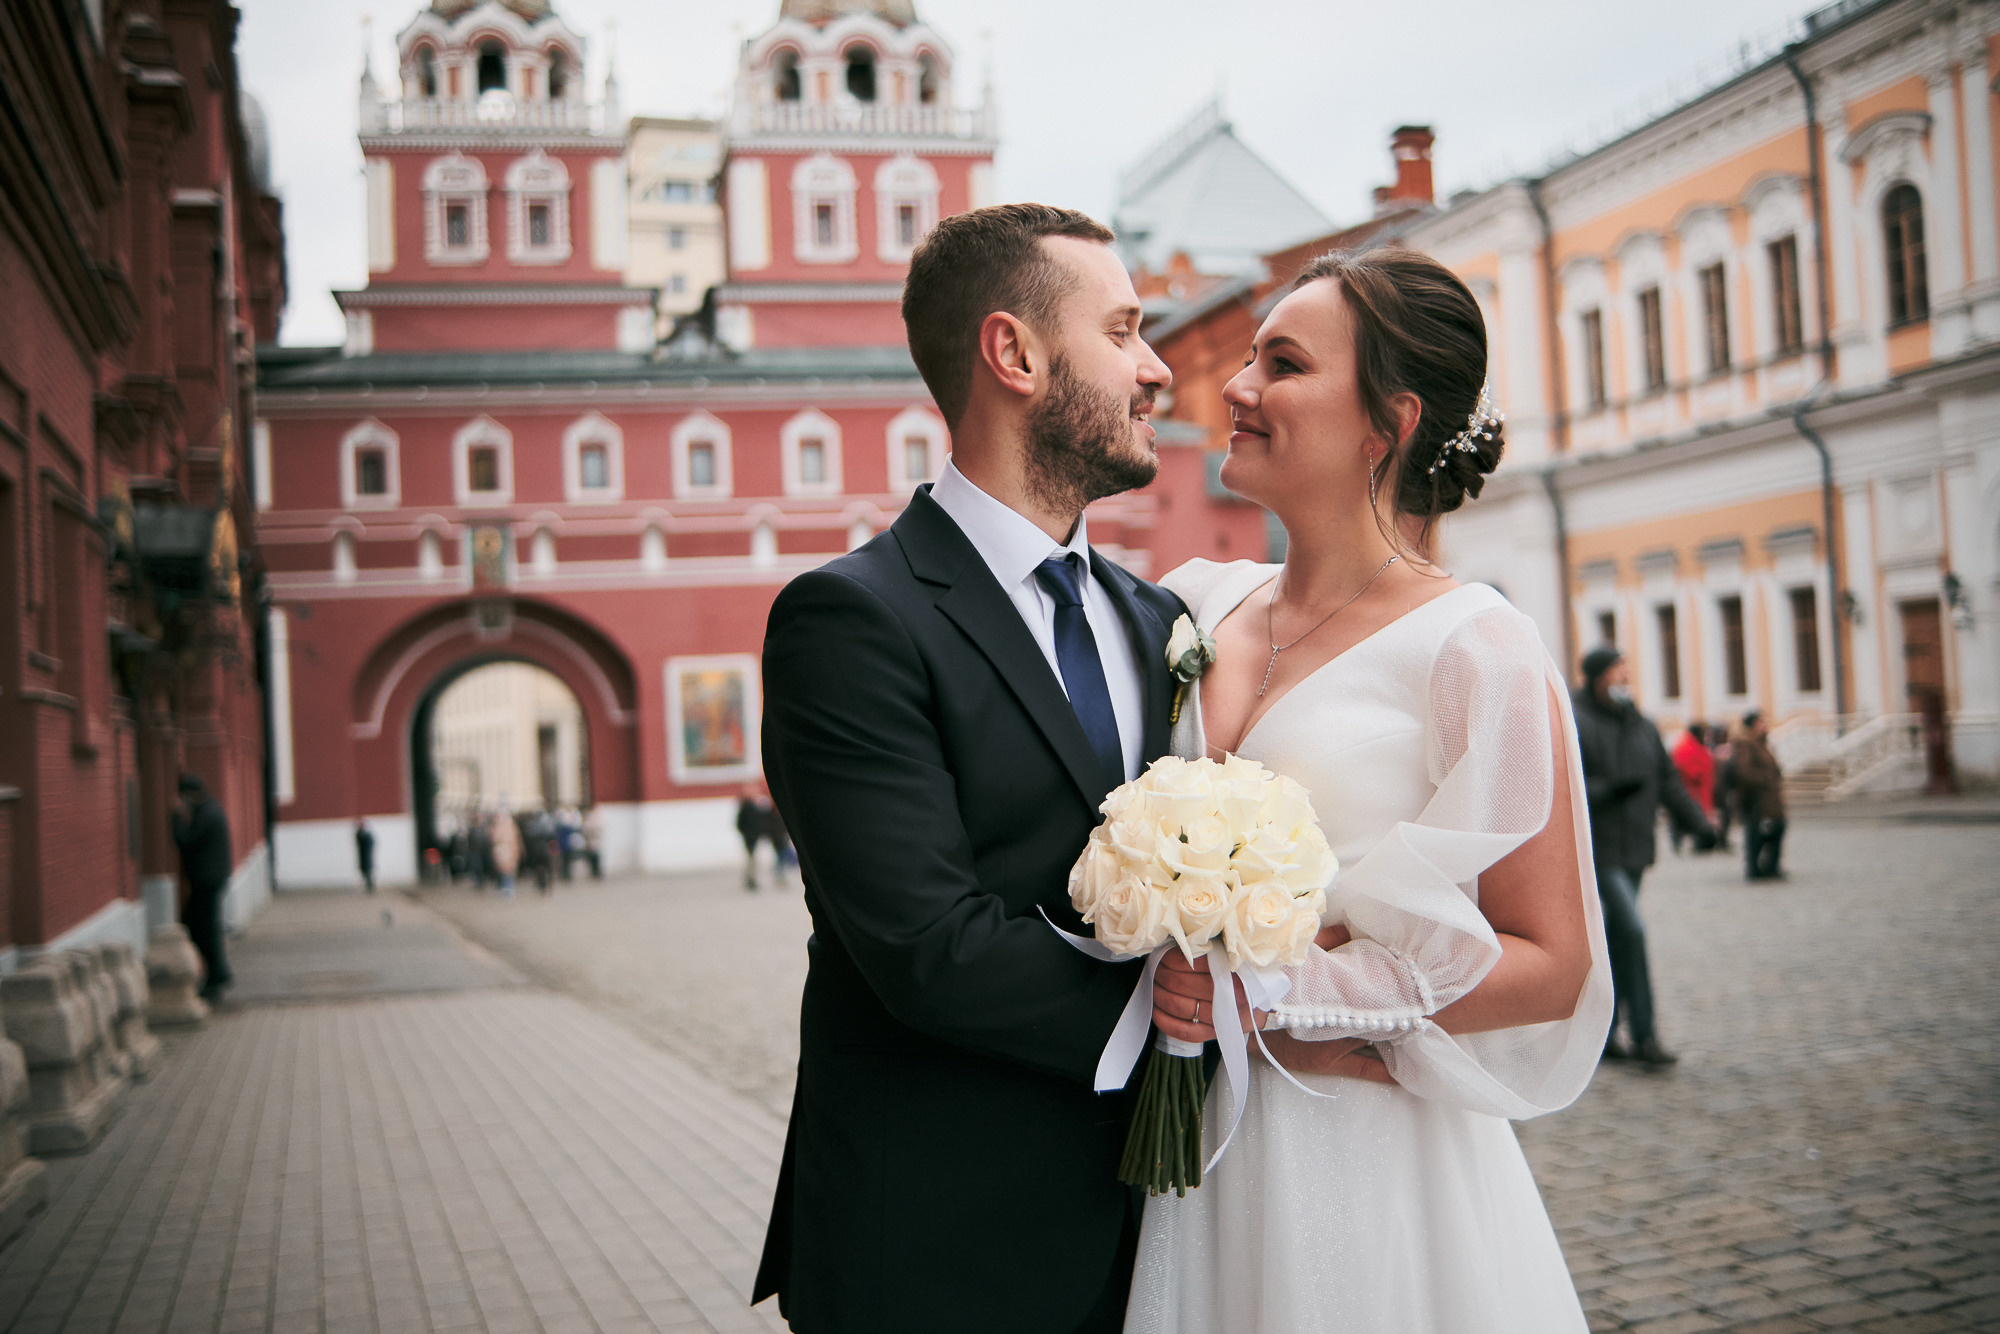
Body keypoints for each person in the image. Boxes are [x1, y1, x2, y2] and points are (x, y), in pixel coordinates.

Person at [1128, 247, 1611, 1332]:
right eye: (1247, 356)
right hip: (1188, 1152)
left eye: (1282, 364)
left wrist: (1282, 997)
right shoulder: (1192, 602)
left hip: (1356, 1152)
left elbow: (1552, 961)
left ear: (1384, 423)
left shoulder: (1471, 644)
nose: (1234, 389)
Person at [753, 203, 1182, 1333]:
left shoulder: (1158, 621)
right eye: (1126, 330)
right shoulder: (850, 620)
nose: (1159, 369)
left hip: (1163, 1241)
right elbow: (923, 945)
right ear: (1015, 354)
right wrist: (1181, 1009)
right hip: (940, 1251)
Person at [1571, 645, 1713, 1068]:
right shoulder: (1576, 722)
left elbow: (1667, 781)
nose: (1624, 678)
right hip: (1600, 853)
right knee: (1631, 930)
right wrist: (1608, 789)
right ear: (1596, 678)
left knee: (1616, 939)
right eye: (1617, 671)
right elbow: (1566, 787)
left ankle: (1606, 1034)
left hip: (1635, 849)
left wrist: (1699, 825)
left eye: (1626, 671)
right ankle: (1647, 1037)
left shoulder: (1643, 727)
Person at [170, 773, 234, 1002]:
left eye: (183, 796)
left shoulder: (206, 813)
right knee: (199, 928)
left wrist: (176, 816)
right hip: (209, 879)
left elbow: (186, 841)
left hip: (207, 881)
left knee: (203, 930)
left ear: (191, 794)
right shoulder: (210, 809)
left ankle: (216, 977)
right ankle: (216, 975)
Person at [1734, 709, 1788, 880]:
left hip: (1770, 801)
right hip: (1758, 801)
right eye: (1761, 722)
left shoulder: (1762, 744)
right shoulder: (1746, 745)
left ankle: (1771, 866)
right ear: (1752, 726)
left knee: (1776, 831)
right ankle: (1755, 869)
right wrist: (1766, 779)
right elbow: (1744, 772)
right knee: (1757, 836)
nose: (1765, 726)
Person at [1669, 722, 1716, 854]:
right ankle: (1686, 842)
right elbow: (1686, 769)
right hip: (1691, 791)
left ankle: (1699, 843)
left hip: (1698, 791)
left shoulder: (1695, 745)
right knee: (1686, 819)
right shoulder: (1685, 747)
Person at [735, 785, 771, 891]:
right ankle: (750, 880)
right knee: (752, 860)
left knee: (752, 859)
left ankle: (751, 879)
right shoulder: (747, 806)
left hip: (753, 836)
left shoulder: (753, 805)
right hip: (750, 837)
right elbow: (741, 824)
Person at [487, 807, 519, 897]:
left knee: (508, 870)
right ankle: (504, 886)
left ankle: (508, 886)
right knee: (503, 869)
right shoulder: (499, 826)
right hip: (502, 850)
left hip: (507, 851)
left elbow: (514, 840)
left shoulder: (509, 826)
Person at [355, 818, 376, 892]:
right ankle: (368, 886)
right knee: (366, 872)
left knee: (368, 872)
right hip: (364, 857)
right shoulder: (361, 834)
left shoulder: (366, 835)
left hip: (366, 857)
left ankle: (370, 886)